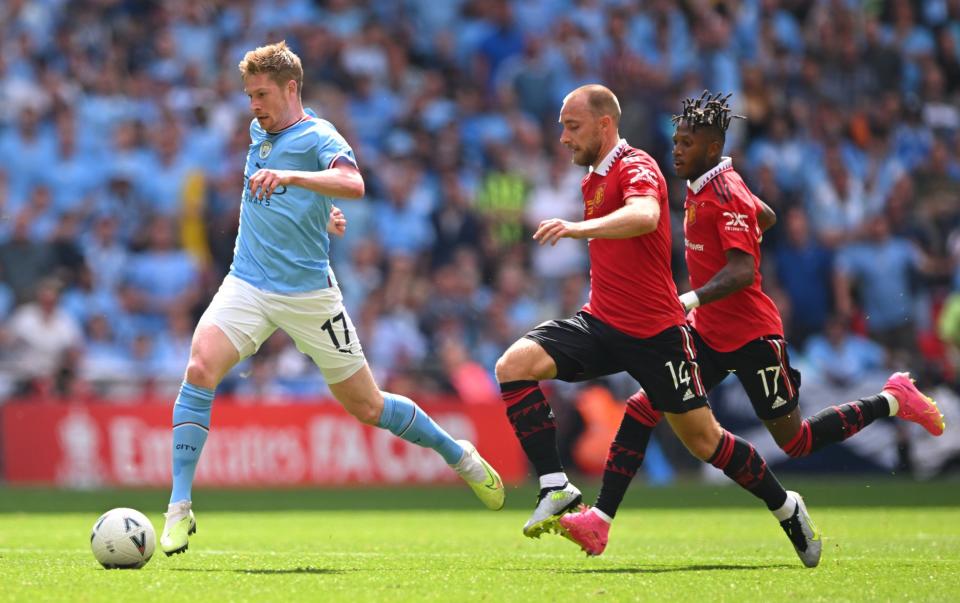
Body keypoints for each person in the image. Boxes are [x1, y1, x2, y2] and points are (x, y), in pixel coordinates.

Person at [558, 91, 945, 558]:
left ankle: (892, 399)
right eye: (675, 141)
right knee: (644, 407)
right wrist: (744, 229)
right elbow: (768, 215)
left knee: (796, 441)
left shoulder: (725, 190)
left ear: (713, 145)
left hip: (753, 336)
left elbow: (743, 271)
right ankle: (601, 521)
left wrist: (692, 296)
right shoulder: (706, 184)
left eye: (686, 143)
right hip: (706, 332)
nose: (676, 151)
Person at [160, 41, 504, 556]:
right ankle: (179, 507)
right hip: (247, 283)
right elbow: (294, 204)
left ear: (291, 88)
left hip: (309, 296)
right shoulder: (260, 130)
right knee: (200, 368)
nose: (253, 105)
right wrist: (321, 214)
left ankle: (458, 454)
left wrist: (301, 181)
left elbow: (353, 182)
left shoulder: (320, 135)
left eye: (262, 94)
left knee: (367, 406)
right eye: (249, 95)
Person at [494, 84, 821, 567]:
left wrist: (576, 228)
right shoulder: (592, 177)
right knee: (513, 365)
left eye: (572, 126)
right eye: (562, 126)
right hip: (602, 323)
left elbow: (646, 216)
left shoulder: (637, 165)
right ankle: (555, 487)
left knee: (705, 441)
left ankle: (785, 505)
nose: (562, 137)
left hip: (658, 337)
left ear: (605, 125)